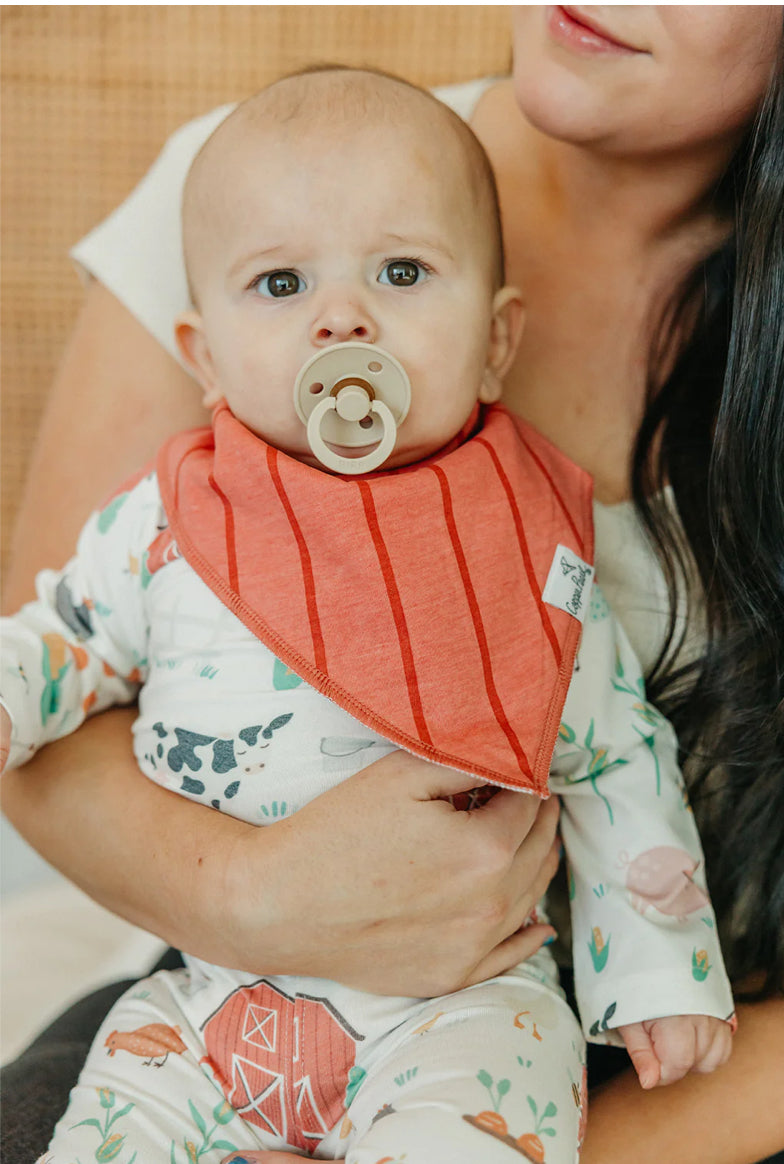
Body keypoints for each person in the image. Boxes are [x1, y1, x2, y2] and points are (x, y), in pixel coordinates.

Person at [1, 8, 782, 1164]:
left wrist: (653, 989)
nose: (339, 320)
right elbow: (59, 636)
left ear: (497, 342)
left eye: (403, 274)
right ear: (204, 355)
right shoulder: (183, 497)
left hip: (495, 1031)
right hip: (218, 988)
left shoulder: (522, 540)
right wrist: (248, 898)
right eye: (278, 285)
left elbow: (614, 755)